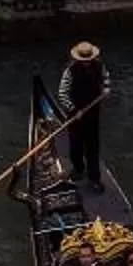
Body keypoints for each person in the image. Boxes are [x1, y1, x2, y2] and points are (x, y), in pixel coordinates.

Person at [57, 40, 110, 188]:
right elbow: (62, 94)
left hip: (93, 113)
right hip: (75, 115)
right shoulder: (70, 71)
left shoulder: (100, 66)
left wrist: (106, 89)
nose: (87, 63)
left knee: (93, 146)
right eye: (84, 61)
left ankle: (94, 178)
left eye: (89, 60)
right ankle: (78, 169)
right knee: (76, 144)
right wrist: (73, 110)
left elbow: (106, 77)